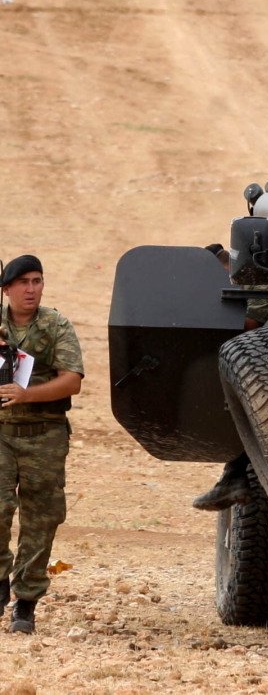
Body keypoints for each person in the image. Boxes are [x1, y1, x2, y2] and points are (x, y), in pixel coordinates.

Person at [0, 255, 84, 634]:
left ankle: (26, 601)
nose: (32, 289)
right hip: (1, 432)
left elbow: (71, 381)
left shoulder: (55, 325)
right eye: (23, 283)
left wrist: (25, 393)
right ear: (7, 290)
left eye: (37, 281)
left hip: (44, 434)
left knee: (41, 518)